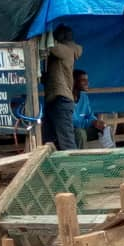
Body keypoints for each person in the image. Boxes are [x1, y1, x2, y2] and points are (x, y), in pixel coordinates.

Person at [44, 18, 82, 150]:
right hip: (55, 99)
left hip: (61, 100)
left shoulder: (66, 50)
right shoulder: (66, 52)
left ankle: (73, 169)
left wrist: (44, 31)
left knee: (66, 142)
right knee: (50, 141)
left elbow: (50, 45)